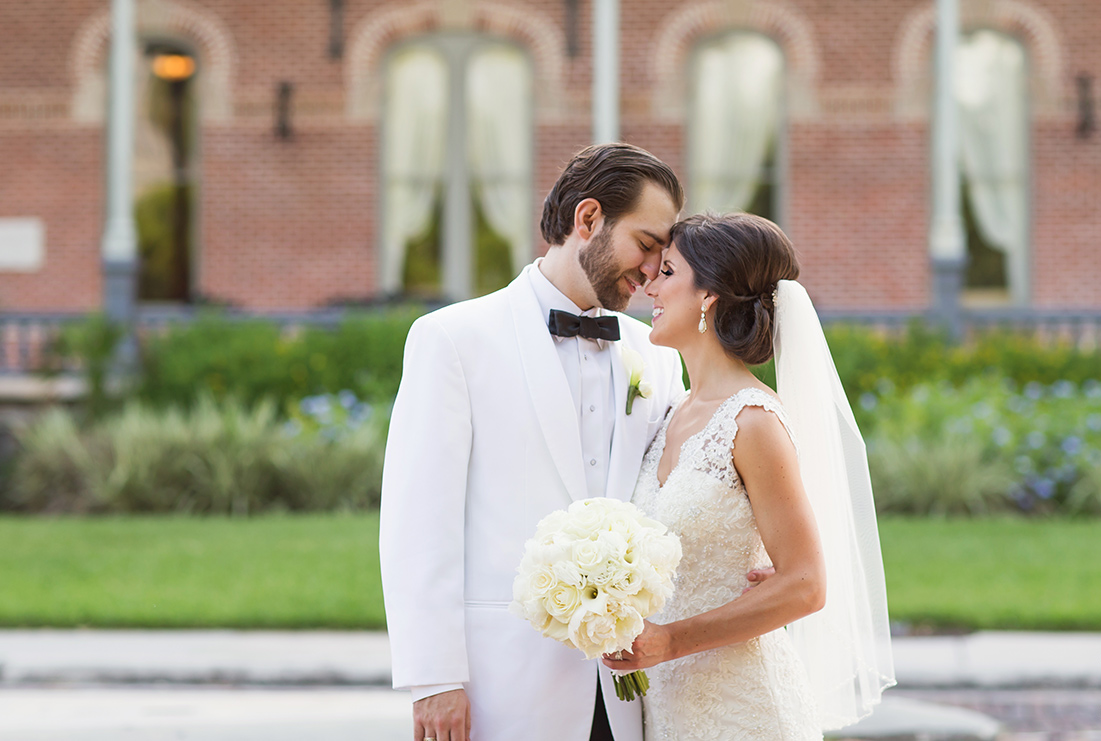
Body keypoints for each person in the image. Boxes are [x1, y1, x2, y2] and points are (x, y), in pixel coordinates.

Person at [379, 143, 688, 741]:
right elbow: (419, 522)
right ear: (588, 219)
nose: (653, 270)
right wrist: (433, 679)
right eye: (647, 245)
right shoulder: (451, 339)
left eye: (663, 256)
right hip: (502, 685)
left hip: (628, 689)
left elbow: (669, 493)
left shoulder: (654, 353)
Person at [604, 212, 897, 739]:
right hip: (667, 707)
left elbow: (806, 584)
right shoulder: (671, 412)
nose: (650, 284)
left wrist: (671, 641)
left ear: (709, 297)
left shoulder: (753, 421)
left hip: (742, 707)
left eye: (667, 272)